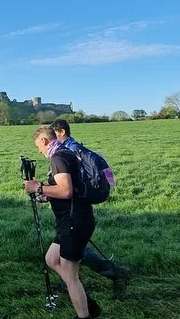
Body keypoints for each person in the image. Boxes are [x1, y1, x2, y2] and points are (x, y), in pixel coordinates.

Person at [24, 126, 100, 319]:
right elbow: (66, 191)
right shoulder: (66, 154)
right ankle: (85, 302)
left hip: (74, 223)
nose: (38, 151)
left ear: (45, 141)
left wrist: (38, 187)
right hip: (73, 221)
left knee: (71, 275)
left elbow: (65, 190)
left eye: (38, 145)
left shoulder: (58, 158)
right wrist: (46, 194)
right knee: (51, 258)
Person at [50, 119, 131, 296]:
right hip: (77, 207)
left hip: (74, 211)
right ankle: (71, 281)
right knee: (67, 252)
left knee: (76, 251)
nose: (51, 140)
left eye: (54, 134)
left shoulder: (67, 151)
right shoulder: (76, 147)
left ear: (62, 132)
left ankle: (115, 274)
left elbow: (68, 187)